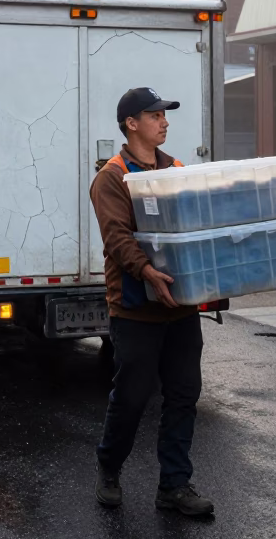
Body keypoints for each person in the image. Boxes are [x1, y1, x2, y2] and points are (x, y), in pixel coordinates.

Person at [89, 87, 214, 517]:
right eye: (155, 115)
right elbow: (117, 239)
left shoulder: (175, 169)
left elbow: (194, 226)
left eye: (165, 115)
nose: (164, 121)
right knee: (132, 396)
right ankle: (109, 466)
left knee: (183, 394)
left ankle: (174, 486)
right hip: (136, 309)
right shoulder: (111, 176)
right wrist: (146, 272)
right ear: (131, 123)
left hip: (179, 308)